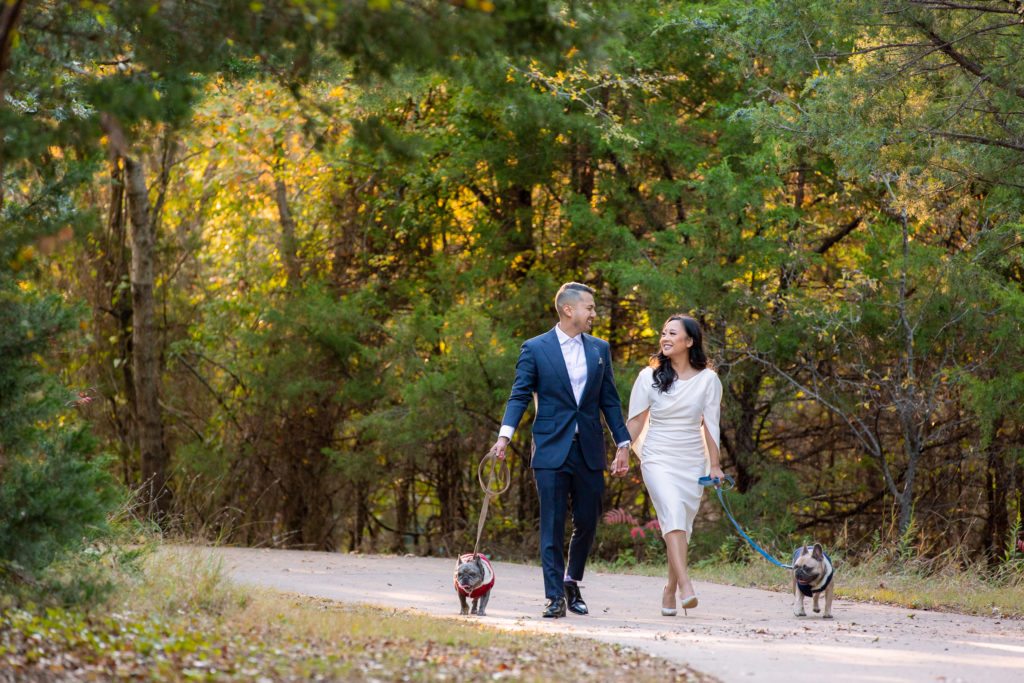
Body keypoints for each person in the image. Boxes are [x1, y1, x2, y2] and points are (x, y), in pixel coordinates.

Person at [490, 282, 631, 619]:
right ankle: (554, 596)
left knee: (588, 519)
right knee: (552, 524)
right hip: (551, 448)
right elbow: (519, 395)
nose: (594, 314)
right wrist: (504, 437)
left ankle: (571, 580)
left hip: (589, 449)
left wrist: (623, 443)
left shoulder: (600, 349)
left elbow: (609, 400)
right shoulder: (535, 348)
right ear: (569, 310)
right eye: (590, 308)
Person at [616, 314, 724, 616]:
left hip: (692, 460)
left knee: (682, 527)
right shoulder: (647, 377)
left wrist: (714, 466)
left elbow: (711, 426)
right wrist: (623, 450)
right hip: (657, 457)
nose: (665, 338)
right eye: (663, 333)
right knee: (673, 514)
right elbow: (637, 421)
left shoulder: (708, 380)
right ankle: (686, 585)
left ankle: (669, 589)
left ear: (689, 342)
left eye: (672, 333)